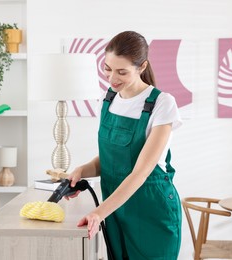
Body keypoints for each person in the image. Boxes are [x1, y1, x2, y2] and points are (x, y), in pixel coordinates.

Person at [67, 31, 182, 259]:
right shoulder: (107, 100)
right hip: (116, 207)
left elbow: (139, 173)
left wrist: (98, 213)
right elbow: (113, 158)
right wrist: (82, 170)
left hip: (152, 209)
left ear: (142, 67)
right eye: (108, 69)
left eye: (122, 72)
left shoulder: (162, 104)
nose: (112, 79)